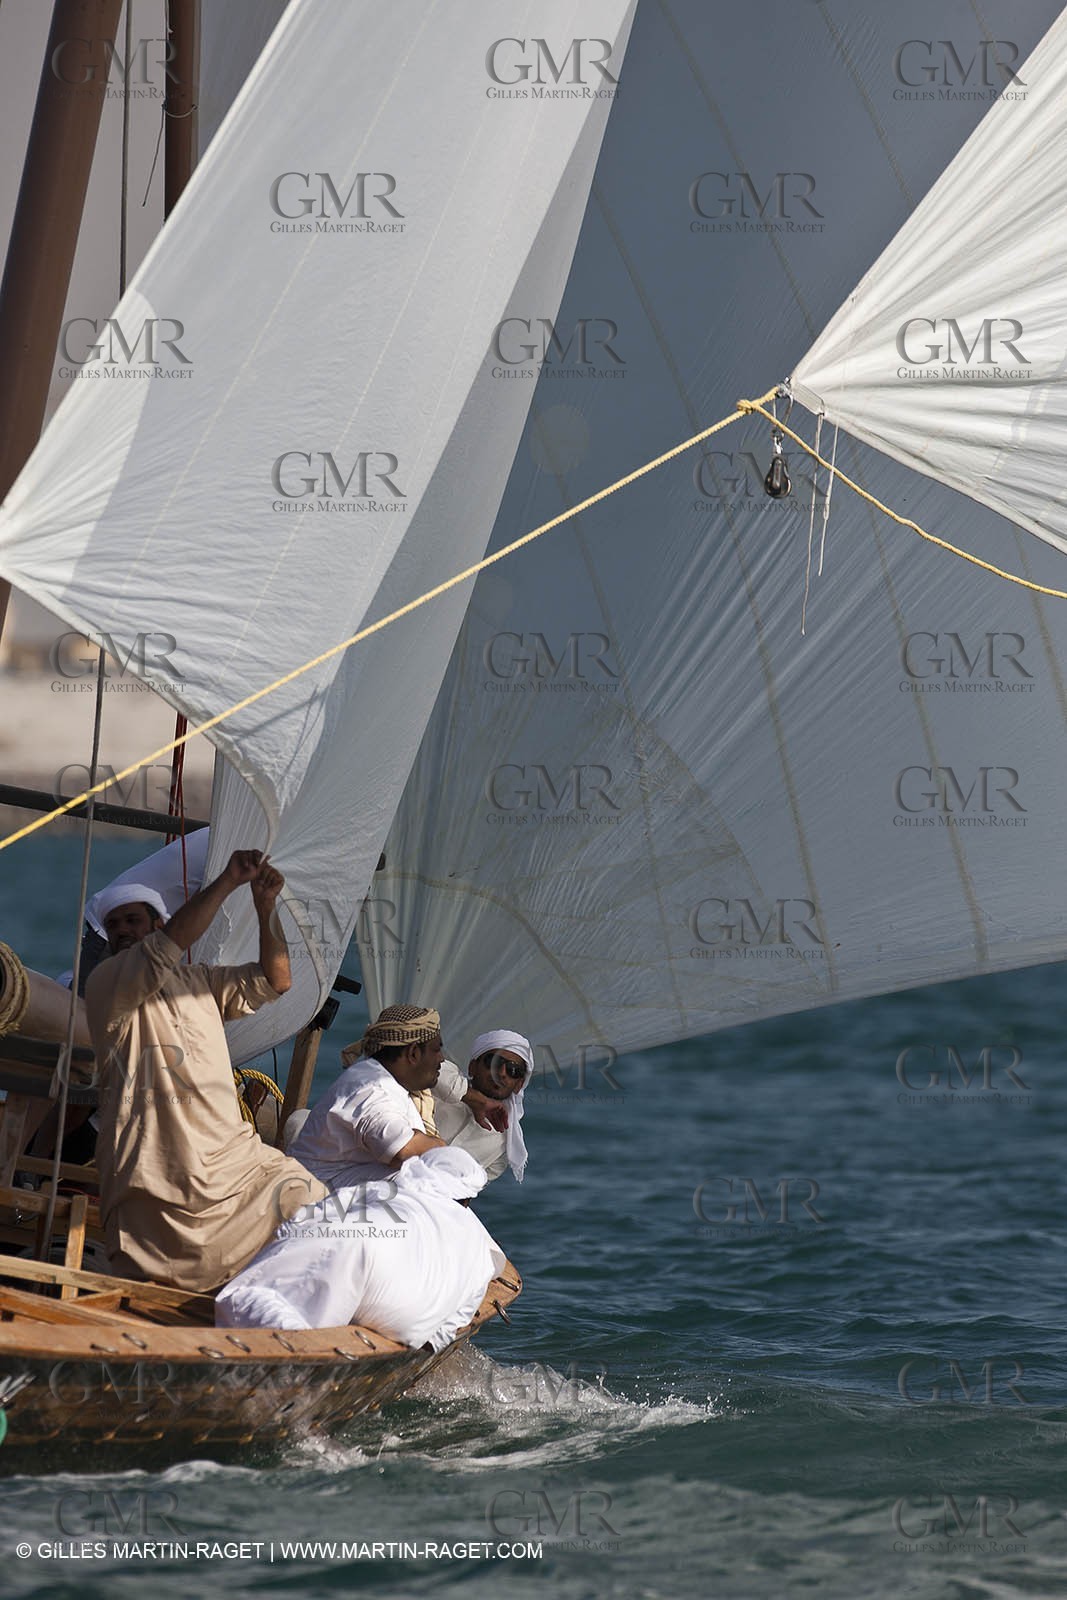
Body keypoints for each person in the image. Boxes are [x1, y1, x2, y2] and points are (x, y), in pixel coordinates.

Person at [83, 850, 326, 1292]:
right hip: (157, 1169)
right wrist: (230, 880)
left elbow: (277, 981)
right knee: (158, 1261)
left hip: (231, 1164)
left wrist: (265, 905)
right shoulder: (106, 982)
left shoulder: (200, 982)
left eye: (132, 921)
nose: (121, 931)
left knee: (307, 1197)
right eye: (113, 925)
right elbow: (169, 944)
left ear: (155, 924)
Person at [215, 1146, 507, 1350]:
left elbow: (303, 1220)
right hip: (409, 1324)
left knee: (244, 1297)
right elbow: (456, 1320)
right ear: (467, 1198)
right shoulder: (482, 1245)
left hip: (354, 1246)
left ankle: (290, 1351)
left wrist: (273, 1254)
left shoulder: (387, 1189)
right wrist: (430, 1340)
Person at [289, 1004, 450, 1189]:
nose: (441, 1058)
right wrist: (442, 1147)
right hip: (311, 1193)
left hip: (325, 1181)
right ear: (413, 1053)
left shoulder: (374, 1075)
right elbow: (403, 1150)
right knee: (420, 1179)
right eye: (436, 1050)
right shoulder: (373, 1091)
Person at [432, 1030, 534, 1183]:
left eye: (513, 1070)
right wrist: (474, 1099)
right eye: (494, 1062)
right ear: (473, 1066)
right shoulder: (443, 1073)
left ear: (519, 1085)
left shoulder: (505, 1145)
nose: (501, 1073)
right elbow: (423, 1070)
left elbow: (469, 1189)